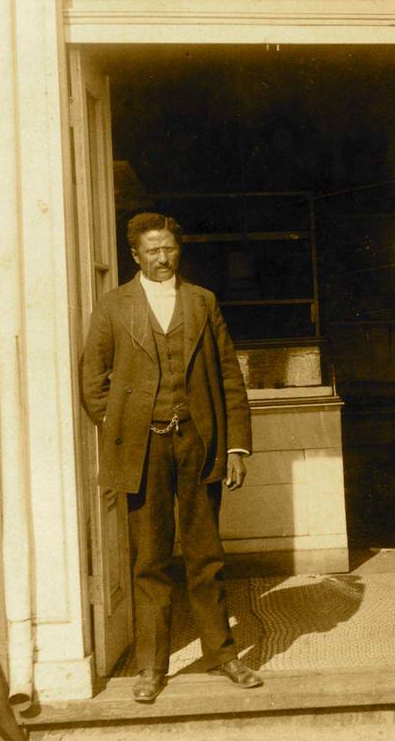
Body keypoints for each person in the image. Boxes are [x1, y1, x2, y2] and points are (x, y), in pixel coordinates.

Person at [80, 212, 261, 703]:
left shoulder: (203, 302)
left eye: (170, 249)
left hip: (197, 446)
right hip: (144, 451)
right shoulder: (114, 305)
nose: (163, 258)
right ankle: (150, 668)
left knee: (206, 557)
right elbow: (92, 381)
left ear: (178, 250)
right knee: (150, 561)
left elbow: (229, 378)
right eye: (153, 251)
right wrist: (120, 429)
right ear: (135, 256)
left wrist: (236, 447)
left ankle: (223, 655)